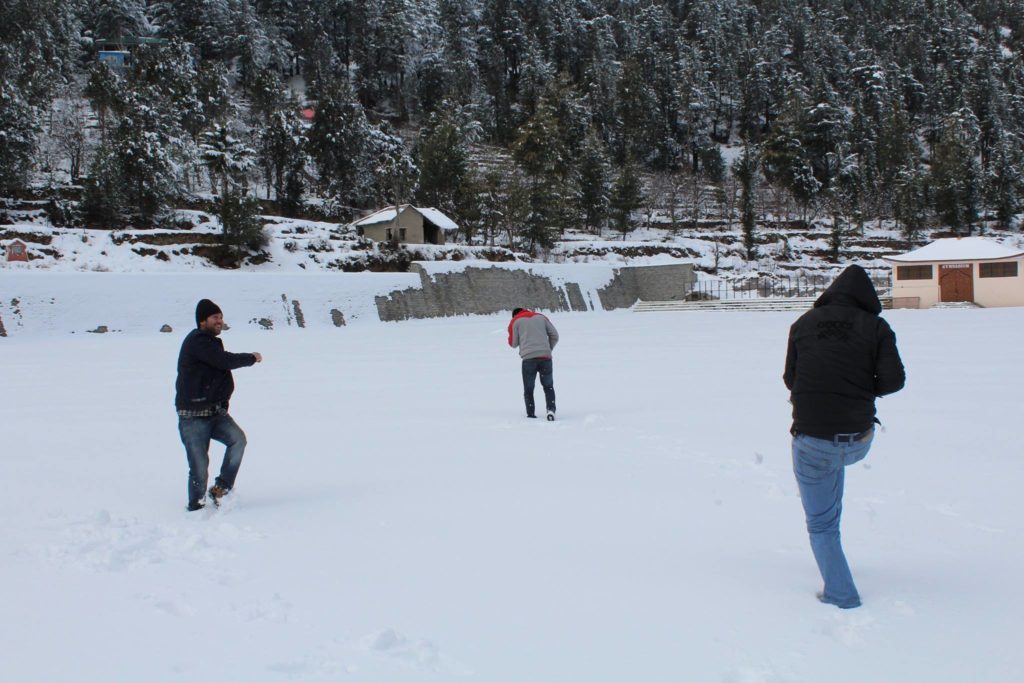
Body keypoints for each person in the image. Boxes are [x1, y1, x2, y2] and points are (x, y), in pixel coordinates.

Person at [783, 264, 905, 608]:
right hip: (858, 440)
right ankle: (835, 556)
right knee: (831, 471)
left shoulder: (803, 324)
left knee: (821, 524)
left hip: (812, 440)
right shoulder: (876, 327)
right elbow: (894, 381)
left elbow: (791, 379)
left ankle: (841, 595)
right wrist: (860, 391)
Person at [175, 299, 262, 511]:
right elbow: (224, 361)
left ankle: (220, 489)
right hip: (193, 416)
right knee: (199, 467)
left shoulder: (210, 343)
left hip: (215, 413)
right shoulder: (197, 341)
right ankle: (196, 508)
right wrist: (251, 357)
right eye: (215, 317)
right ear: (202, 320)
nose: (220, 321)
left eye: (221, 317)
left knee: (238, 440)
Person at [508, 307, 559, 420]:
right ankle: (551, 410)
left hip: (528, 359)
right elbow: (555, 335)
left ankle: (531, 414)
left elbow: (513, 343)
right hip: (545, 358)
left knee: (529, 389)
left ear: (514, 315)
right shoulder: (541, 317)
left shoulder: (515, 321)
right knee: (548, 387)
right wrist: (548, 349)